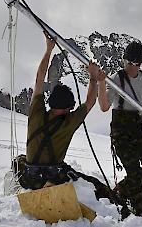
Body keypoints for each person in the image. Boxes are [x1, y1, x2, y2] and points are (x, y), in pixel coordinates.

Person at [19, 33, 104, 190]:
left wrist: (48, 49)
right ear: (68, 107)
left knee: (20, 160)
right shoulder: (69, 123)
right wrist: (93, 77)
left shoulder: (36, 114)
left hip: (30, 179)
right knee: (96, 186)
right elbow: (90, 102)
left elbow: (39, 78)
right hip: (54, 178)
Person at [98, 41, 142, 219]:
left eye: (137, 64)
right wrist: (101, 83)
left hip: (139, 128)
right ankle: (141, 210)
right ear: (124, 61)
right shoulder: (117, 79)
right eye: (129, 63)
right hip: (121, 129)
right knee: (133, 170)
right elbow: (104, 106)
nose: (133, 68)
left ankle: (120, 191)